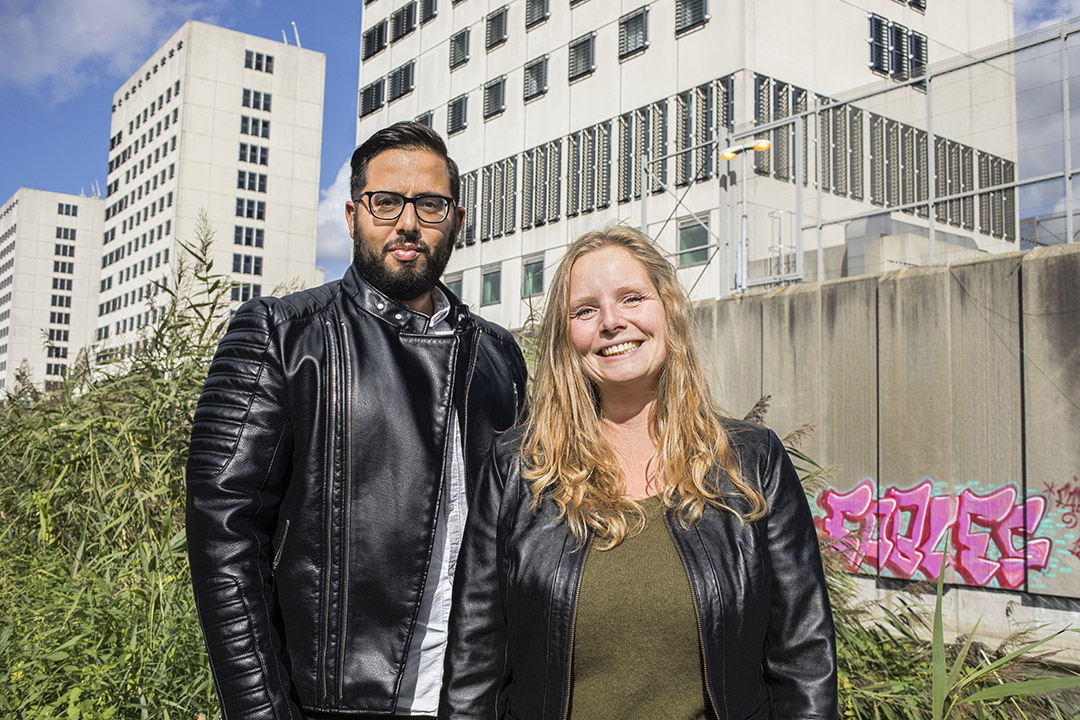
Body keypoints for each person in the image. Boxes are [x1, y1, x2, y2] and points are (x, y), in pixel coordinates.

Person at [186, 121, 527, 719]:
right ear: (352, 215)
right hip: (333, 703)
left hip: (477, 702)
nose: (407, 223)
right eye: (386, 201)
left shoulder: (498, 356)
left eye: (430, 204)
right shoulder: (284, 335)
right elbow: (224, 536)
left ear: (458, 221)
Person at [440, 225, 836, 720]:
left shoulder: (752, 461)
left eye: (631, 298)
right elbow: (474, 668)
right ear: (566, 335)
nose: (611, 322)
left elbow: (804, 659)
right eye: (585, 310)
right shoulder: (517, 470)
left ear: (667, 307)